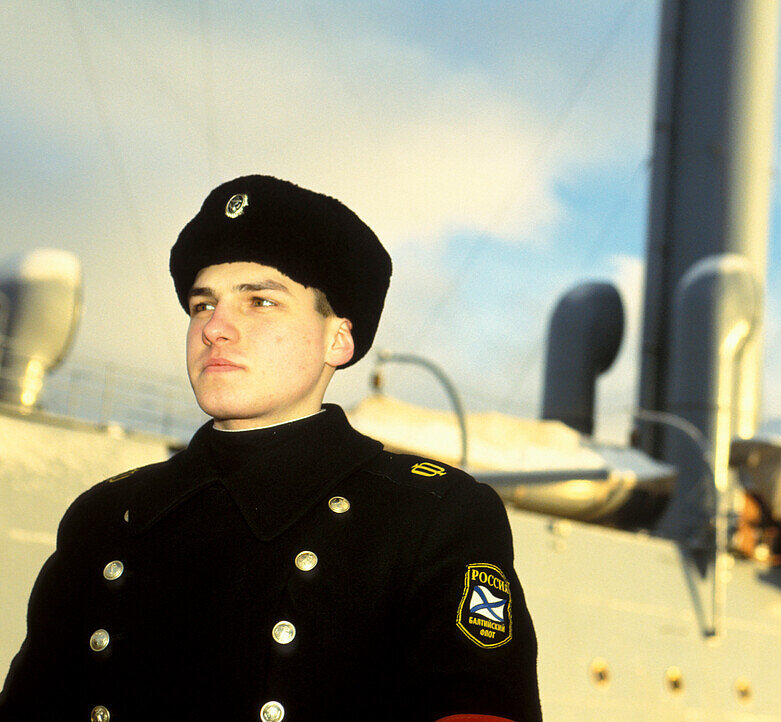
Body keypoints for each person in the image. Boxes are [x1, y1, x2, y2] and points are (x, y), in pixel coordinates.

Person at [0, 175, 542, 721]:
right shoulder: (105, 519)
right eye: (201, 305)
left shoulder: (431, 515)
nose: (216, 328)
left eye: (259, 301)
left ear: (339, 340)